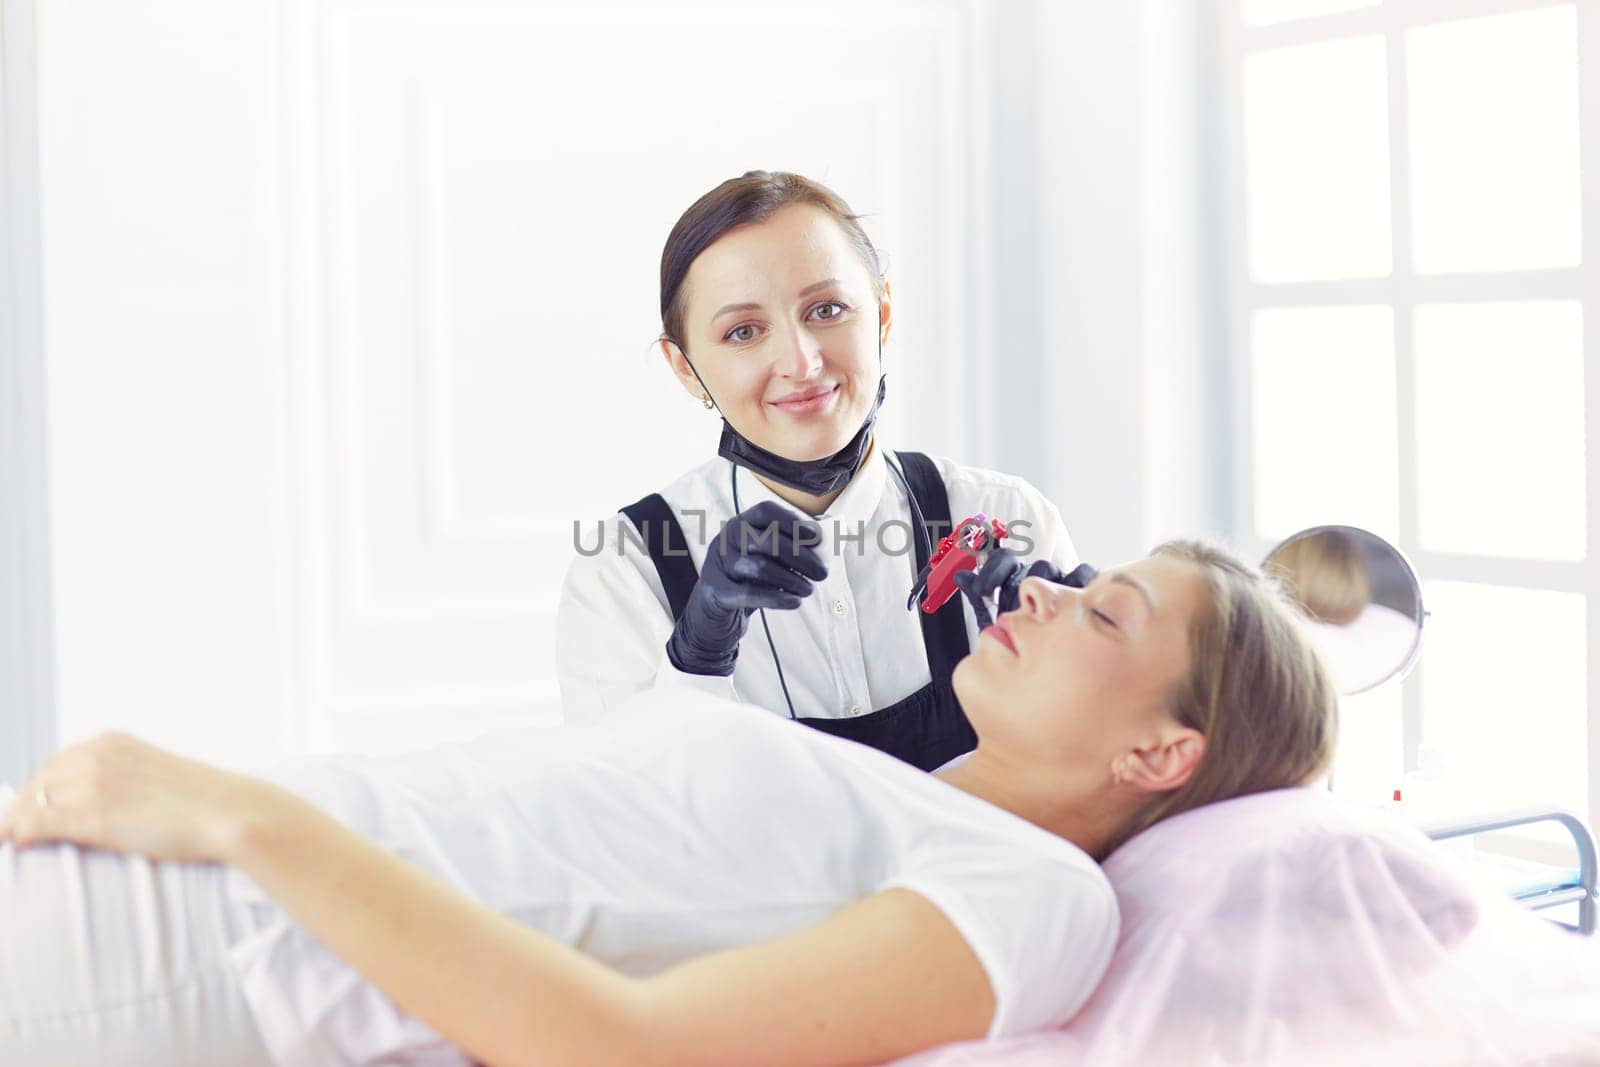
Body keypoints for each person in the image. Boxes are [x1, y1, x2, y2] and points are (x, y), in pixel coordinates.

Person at [0, 540, 1335, 1066]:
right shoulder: (900, 792)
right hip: (176, 858)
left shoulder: (1043, 896)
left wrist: (243, 817)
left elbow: (627, 1044)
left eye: (1106, 609)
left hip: (221, 936)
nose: (1044, 589)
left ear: (1165, 752)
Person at [557, 170, 1090, 772]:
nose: (801, 362)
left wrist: (1089, 668)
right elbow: (625, 823)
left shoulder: (1009, 517)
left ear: (882, 316)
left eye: (828, 309)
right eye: (743, 332)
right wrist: (697, 658)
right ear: (684, 368)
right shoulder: (626, 571)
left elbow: (1101, 772)